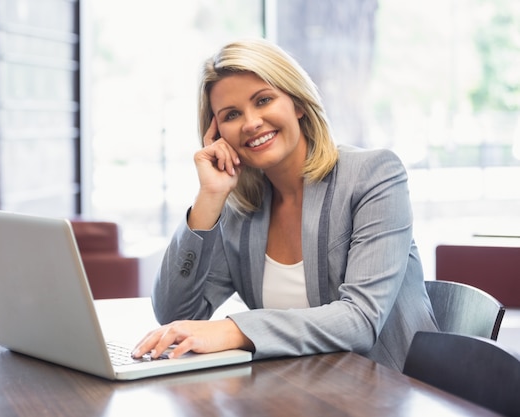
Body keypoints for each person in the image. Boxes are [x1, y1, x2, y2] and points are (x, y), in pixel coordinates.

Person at [131, 38, 438, 371]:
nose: (251, 123)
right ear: (218, 134)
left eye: (263, 100)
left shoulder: (372, 175)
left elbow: (360, 320)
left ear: (298, 103)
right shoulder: (241, 210)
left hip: (390, 392)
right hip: (296, 389)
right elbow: (176, 316)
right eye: (232, 114)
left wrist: (235, 329)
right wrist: (208, 198)